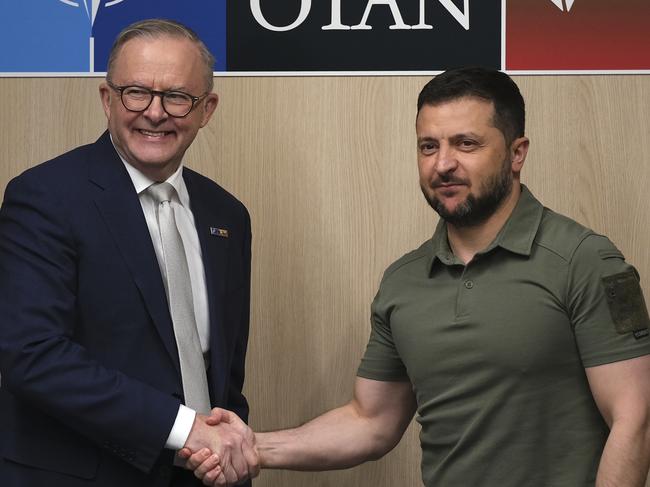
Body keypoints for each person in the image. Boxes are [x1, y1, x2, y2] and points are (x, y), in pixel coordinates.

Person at [184, 67, 650, 487]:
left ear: (516, 153)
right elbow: (371, 420)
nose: (442, 163)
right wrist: (255, 447)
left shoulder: (588, 259)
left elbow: (636, 419)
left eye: (466, 144)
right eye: (429, 146)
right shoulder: (403, 281)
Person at [0, 19, 256, 487]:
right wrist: (185, 430)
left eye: (178, 97)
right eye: (136, 92)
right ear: (107, 99)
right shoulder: (45, 196)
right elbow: (32, 356)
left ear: (207, 109)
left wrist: (227, 457)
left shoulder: (228, 216)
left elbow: (222, 373)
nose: (155, 113)